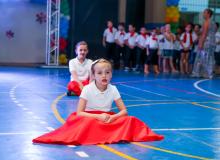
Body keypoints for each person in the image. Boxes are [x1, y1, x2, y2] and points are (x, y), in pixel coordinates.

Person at [33, 59, 164, 145]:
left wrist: (114, 118)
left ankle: (109, 133)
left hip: (108, 118)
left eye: (107, 72)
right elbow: (79, 112)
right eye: (100, 73)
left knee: (131, 120)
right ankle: (107, 134)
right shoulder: (87, 89)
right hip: (91, 117)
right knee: (87, 124)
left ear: (111, 74)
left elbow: (124, 111)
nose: (104, 76)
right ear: (94, 75)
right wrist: (98, 116)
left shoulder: (113, 89)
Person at [192, 9, 216, 78]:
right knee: (209, 58)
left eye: (204, 13)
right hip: (211, 43)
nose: (203, 14)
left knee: (202, 57)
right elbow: (204, 33)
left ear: (208, 14)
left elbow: (204, 34)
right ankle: (208, 74)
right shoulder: (213, 22)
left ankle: (199, 73)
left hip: (206, 43)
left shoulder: (206, 22)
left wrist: (201, 43)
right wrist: (197, 32)